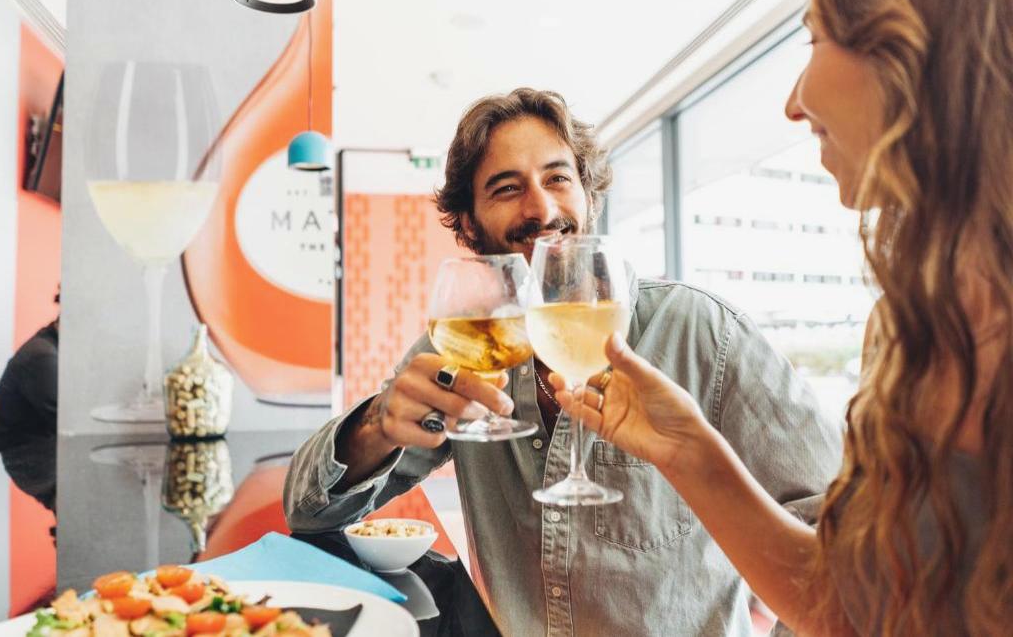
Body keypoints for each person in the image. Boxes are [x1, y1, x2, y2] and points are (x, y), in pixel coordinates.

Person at [554, 0, 1013, 635]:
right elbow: (845, 605)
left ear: (911, 47)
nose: (794, 104)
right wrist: (686, 449)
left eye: (814, 38)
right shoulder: (901, 327)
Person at [284, 88, 843, 636]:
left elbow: (845, 541)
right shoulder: (466, 347)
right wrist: (376, 424)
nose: (543, 209)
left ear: (589, 197)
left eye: (557, 178)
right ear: (470, 225)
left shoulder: (704, 333)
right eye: (507, 188)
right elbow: (307, 510)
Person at [0, 291, 59, 454]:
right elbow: (66, 422)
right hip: (18, 456)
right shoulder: (42, 355)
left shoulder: (48, 348)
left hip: (29, 452)